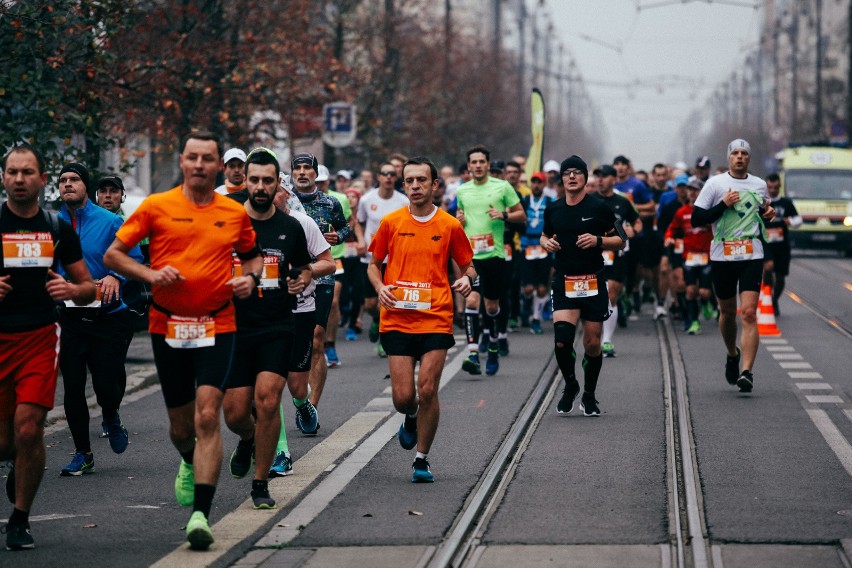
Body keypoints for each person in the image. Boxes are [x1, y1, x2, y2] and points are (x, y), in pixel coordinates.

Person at [104, 131, 263, 550]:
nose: (199, 165)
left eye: (207, 158)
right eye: (192, 157)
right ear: (182, 160)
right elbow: (114, 255)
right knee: (181, 426)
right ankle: (188, 461)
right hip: (168, 325)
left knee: (208, 415)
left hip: (218, 323)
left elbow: (252, 255)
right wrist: (151, 275)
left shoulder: (233, 213)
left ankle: (201, 515)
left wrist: (250, 277)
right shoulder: (157, 207)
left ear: (219, 166)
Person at [1, 144, 96, 550]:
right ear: (4, 178)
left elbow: (89, 287)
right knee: (6, 442)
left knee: (29, 426)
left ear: (42, 179)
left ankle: (19, 519)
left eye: (27, 172)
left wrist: (72, 289)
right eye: (12, 172)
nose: (19, 179)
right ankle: (18, 461)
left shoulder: (58, 228)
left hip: (40, 336)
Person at [367, 157, 475, 483]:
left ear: (434, 185)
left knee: (428, 389)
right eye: (410, 181)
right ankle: (410, 416)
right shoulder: (391, 223)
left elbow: (468, 265)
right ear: (404, 186)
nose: (415, 186)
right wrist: (380, 286)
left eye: (421, 180)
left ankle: (422, 459)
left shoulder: (450, 226)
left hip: (436, 317)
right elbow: (373, 263)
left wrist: (468, 280)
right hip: (397, 318)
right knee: (403, 398)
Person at [221, 148, 312, 508]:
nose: (260, 186)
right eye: (253, 179)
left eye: (267, 180)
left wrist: (300, 280)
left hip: (277, 325)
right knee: (236, 413)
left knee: (269, 400)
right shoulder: (227, 222)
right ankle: (247, 439)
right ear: (246, 181)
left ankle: (260, 484)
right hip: (234, 328)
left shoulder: (290, 227)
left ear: (278, 184)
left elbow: (305, 268)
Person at [55, 162, 144, 476]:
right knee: (74, 387)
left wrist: (115, 277)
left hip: (107, 317)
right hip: (69, 318)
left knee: (108, 385)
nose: (68, 184)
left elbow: (133, 256)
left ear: (85, 187)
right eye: (63, 180)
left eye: (74, 179)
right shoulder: (52, 225)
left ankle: (111, 413)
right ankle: (83, 453)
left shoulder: (108, 222)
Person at [540, 156, 627, 417]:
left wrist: (598, 240)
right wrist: (546, 243)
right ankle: (571, 385)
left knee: (591, 344)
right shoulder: (553, 209)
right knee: (562, 342)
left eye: (578, 173)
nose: (572, 177)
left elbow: (621, 239)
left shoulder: (599, 207)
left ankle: (589, 395)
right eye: (567, 173)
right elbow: (545, 235)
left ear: (585, 178)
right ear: (562, 179)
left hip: (592, 281)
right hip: (564, 281)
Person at [691, 139, 775, 393]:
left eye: (744, 154)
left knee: (748, 313)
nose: (740, 157)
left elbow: (764, 212)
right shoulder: (715, 184)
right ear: (729, 158)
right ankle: (732, 353)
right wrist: (723, 204)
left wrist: (768, 215)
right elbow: (698, 218)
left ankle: (747, 372)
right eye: (735, 153)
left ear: (749, 158)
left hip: (751, 253)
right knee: (727, 313)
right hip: (722, 255)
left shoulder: (759, 185)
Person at [455, 145, 526, 376]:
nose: (477, 165)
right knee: (472, 302)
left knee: (492, 306)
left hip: (494, 255)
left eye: (481, 162)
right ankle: (474, 353)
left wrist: (503, 215)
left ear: (487, 164)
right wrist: (460, 219)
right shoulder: (462, 191)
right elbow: (460, 218)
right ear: (468, 166)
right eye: (473, 162)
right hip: (471, 257)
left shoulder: (502, 187)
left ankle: (494, 345)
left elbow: (521, 215)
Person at [290, 153, 352, 413]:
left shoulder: (331, 202)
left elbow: (346, 227)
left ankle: (311, 405)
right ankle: (295, 393)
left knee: (317, 338)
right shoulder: (285, 201)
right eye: (298, 168)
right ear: (292, 173)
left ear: (316, 173)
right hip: (289, 278)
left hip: (323, 275)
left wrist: (339, 235)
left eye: (308, 168)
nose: (303, 172)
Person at [356, 161, 409, 357]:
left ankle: (382, 338)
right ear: (378, 177)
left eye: (392, 174)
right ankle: (377, 321)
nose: (388, 177)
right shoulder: (366, 200)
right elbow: (358, 223)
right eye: (384, 173)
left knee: (388, 302)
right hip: (371, 260)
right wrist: (361, 240)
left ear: (395, 178)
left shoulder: (403, 202)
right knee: (371, 305)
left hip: (394, 260)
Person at [596, 165, 641, 357]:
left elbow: (637, 221)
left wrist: (634, 230)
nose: (600, 180)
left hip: (616, 254)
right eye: (598, 176)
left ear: (613, 179)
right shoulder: (589, 200)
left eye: (605, 176)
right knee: (596, 298)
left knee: (611, 294)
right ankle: (593, 337)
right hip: (593, 254)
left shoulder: (622, 202)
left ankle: (606, 341)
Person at [665, 178, 713, 335]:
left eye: (696, 190)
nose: (692, 193)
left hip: (707, 256)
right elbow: (672, 228)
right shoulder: (682, 212)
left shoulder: (709, 211)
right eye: (690, 190)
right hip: (689, 257)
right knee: (690, 290)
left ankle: (706, 302)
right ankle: (694, 321)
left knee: (704, 292)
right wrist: (669, 237)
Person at [519, 171, 555, 334]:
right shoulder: (524, 201)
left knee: (541, 288)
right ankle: (526, 303)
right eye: (533, 182)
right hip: (527, 247)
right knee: (527, 288)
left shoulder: (549, 201)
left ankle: (536, 318)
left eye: (539, 182)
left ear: (544, 184)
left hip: (543, 246)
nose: (536, 185)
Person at [762, 173, 801, 316]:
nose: (772, 190)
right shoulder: (762, 202)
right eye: (769, 187)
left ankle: (774, 299)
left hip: (782, 244)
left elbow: (798, 220)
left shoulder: (786, 203)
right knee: (768, 267)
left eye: (774, 187)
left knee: (780, 276)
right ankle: (766, 295)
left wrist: (790, 221)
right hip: (766, 242)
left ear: (779, 185)